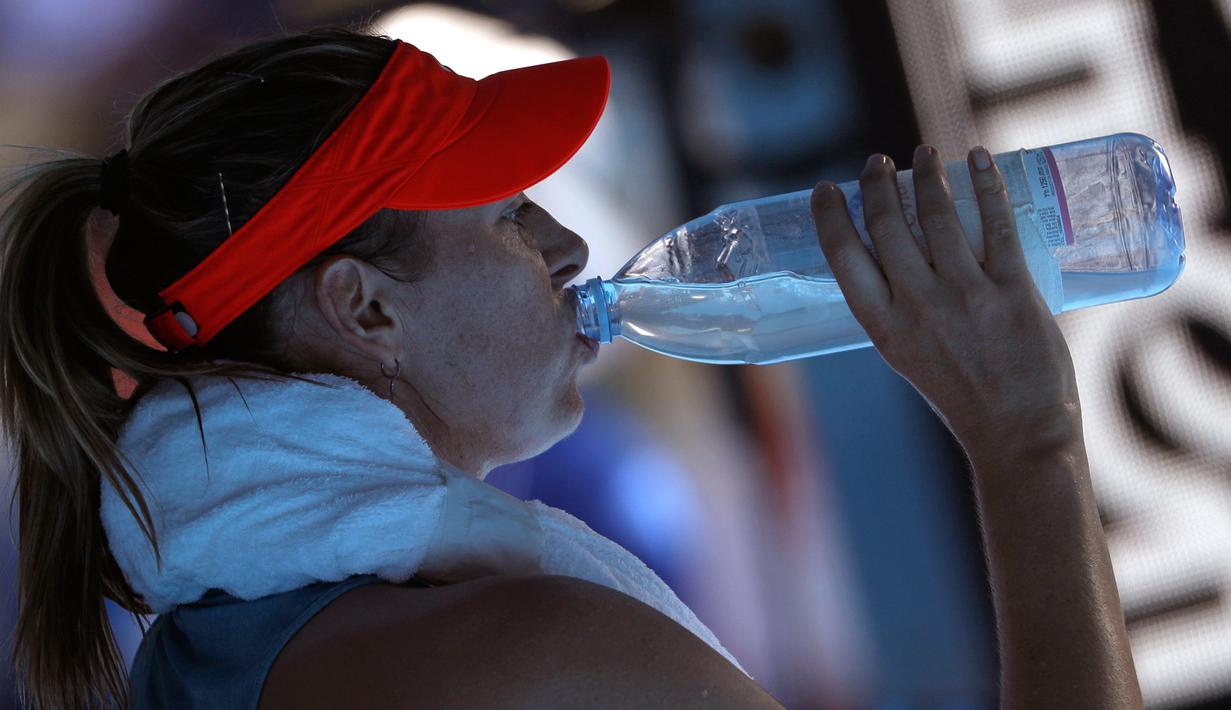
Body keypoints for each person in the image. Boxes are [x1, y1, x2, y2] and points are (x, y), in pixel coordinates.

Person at [0, 23, 1142, 710]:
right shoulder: (538, 656)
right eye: (509, 214)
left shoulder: (213, 651)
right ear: (363, 306)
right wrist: (1027, 442)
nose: (569, 247)